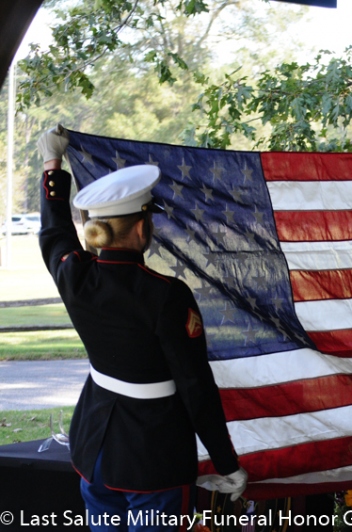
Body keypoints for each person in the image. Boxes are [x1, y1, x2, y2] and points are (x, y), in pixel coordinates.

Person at [37, 126, 247, 531]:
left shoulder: (75, 277)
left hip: (94, 447)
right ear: (139, 228)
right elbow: (195, 386)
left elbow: (54, 232)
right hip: (152, 457)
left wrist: (52, 165)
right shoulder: (167, 295)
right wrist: (226, 463)